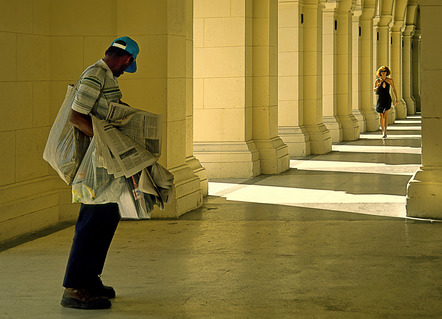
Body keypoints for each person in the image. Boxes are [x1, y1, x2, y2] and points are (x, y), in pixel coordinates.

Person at [61, 36, 140, 310]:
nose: (125, 69)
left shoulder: (107, 77)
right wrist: (108, 141)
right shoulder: (96, 75)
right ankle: (74, 288)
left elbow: (100, 111)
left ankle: (90, 278)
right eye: (128, 64)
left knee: (106, 217)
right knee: (91, 222)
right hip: (95, 164)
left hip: (106, 162)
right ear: (125, 58)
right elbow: (76, 116)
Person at [374, 65, 398, 138]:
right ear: (380, 73)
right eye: (382, 72)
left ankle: (385, 131)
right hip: (380, 99)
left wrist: (396, 98)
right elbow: (374, 90)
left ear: (387, 72)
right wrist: (378, 86)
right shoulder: (377, 81)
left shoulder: (390, 80)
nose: (383, 73)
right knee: (381, 115)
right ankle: (382, 130)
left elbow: (394, 89)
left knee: (385, 115)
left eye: (385, 71)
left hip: (387, 98)